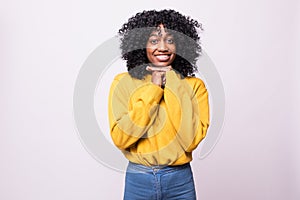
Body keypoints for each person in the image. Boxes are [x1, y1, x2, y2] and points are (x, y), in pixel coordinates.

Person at [108, 9, 210, 200]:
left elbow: (190, 140)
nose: (162, 47)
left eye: (170, 40)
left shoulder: (194, 86)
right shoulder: (123, 83)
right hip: (139, 179)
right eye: (154, 40)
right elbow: (121, 138)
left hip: (180, 181)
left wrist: (170, 79)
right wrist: (155, 88)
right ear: (141, 45)